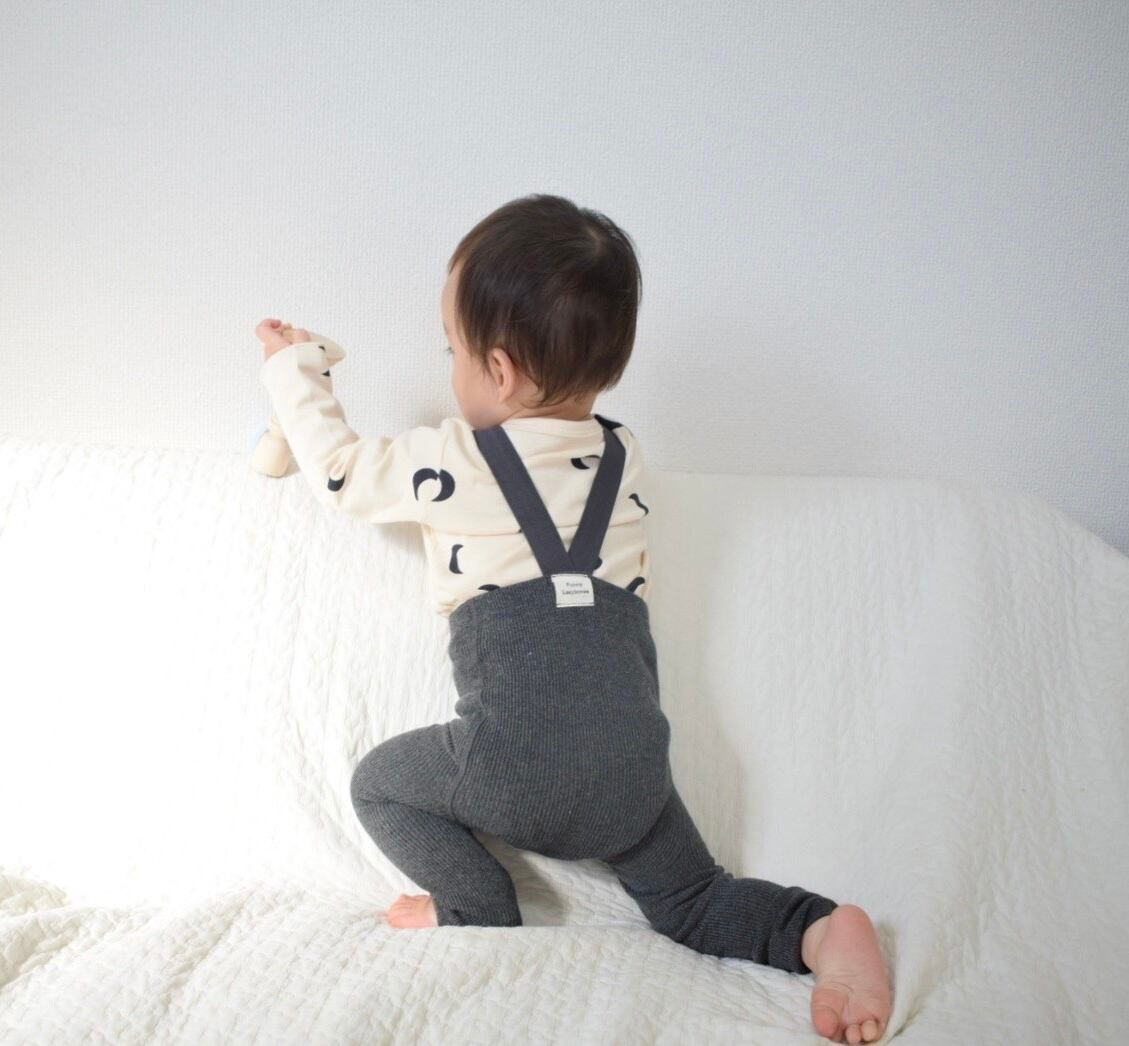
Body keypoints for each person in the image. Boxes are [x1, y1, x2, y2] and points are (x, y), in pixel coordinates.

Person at [255, 193, 892, 1044]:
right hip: (635, 777)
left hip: (514, 766)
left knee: (378, 784)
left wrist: (293, 369)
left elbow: (337, 472)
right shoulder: (621, 456)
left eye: (451, 351)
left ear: (499, 370)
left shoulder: (453, 458)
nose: (449, 371)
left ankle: (475, 905)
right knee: (694, 901)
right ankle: (817, 931)